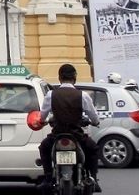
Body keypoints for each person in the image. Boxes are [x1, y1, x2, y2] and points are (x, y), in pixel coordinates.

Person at [39, 63, 101, 193]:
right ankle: (93, 179)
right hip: (77, 135)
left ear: (60, 78)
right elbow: (94, 117)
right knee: (93, 149)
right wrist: (95, 122)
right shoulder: (82, 95)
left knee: (44, 147)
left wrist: (43, 121)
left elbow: (42, 116)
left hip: (57, 135)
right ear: (74, 77)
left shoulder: (51, 95)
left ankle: (48, 178)